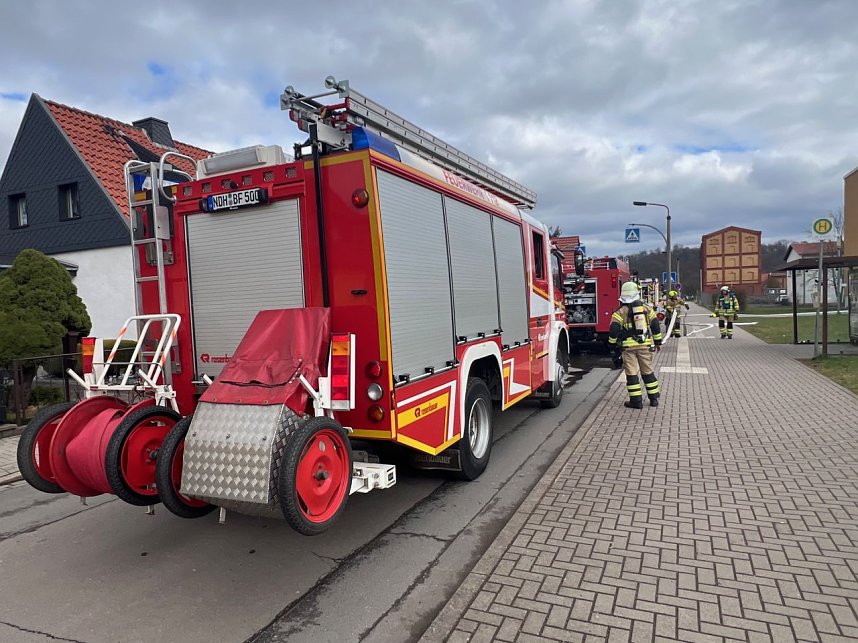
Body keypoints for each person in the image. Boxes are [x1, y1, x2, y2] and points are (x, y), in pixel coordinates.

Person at [608, 281, 663, 409]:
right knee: (647, 371)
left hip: (628, 348)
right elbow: (655, 326)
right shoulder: (647, 309)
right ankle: (654, 399)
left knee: (632, 373)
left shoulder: (619, 312)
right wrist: (658, 342)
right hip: (645, 345)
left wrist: (612, 344)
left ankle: (636, 401)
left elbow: (614, 329)